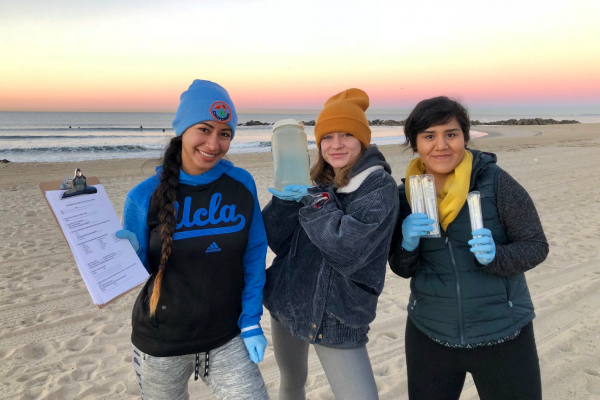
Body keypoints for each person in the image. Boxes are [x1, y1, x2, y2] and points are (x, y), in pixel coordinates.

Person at [116, 80, 270, 400]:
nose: (214, 143)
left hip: (227, 337)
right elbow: (140, 272)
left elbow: (254, 254)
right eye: (204, 129)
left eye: (225, 133)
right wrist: (126, 257)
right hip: (161, 344)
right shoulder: (143, 197)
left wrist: (252, 320)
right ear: (182, 130)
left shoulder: (241, 184)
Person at [389, 96, 548, 400]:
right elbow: (401, 267)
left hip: (503, 331)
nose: (441, 145)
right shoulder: (405, 196)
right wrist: (407, 244)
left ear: (465, 136)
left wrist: (496, 256)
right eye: (429, 136)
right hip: (430, 333)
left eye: (451, 134)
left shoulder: (494, 182)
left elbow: (536, 245)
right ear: (415, 144)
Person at [262, 88, 399, 400]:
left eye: (346, 135)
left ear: (362, 139)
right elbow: (279, 243)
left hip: (337, 314)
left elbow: (347, 249)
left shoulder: (378, 186)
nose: (335, 145)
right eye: (327, 137)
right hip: (288, 300)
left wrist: (315, 204)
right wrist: (283, 202)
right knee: (292, 383)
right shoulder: (319, 183)